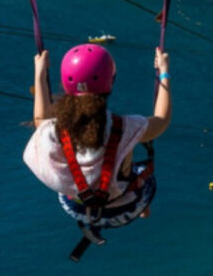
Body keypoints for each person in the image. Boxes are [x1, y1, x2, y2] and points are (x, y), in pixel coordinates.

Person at [24, 45, 171, 238]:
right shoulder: (126, 127)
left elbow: (39, 121)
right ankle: (143, 208)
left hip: (76, 207)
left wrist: (40, 73)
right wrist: (164, 72)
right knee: (141, 171)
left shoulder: (54, 129)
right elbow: (162, 120)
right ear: (110, 82)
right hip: (123, 210)